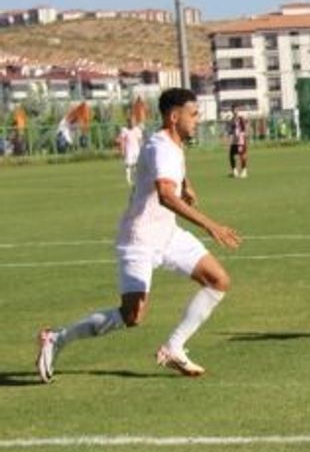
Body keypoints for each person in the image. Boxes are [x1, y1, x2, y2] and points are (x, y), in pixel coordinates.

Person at [35, 88, 242, 383]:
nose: (197, 120)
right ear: (174, 116)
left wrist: (187, 183)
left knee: (218, 280)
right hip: (139, 239)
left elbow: (171, 171)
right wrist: (211, 225)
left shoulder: (172, 141)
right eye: (193, 114)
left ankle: (174, 347)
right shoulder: (161, 146)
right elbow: (166, 196)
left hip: (167, 234)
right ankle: (57, 339)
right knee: (132, 316)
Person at [117, 116, 143, 185]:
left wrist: (142, 149)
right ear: (128, 122)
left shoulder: (137, 130)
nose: (132, 123)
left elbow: (140, 141)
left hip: (136, 150)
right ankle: (128, 179)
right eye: (131, 122)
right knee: (128, 165)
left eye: (133, 122)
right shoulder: (124, 130)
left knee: (136, 165)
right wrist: (122, 149)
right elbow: (122, 140)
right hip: (128, 150)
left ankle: (135, 178)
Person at [228, 105, 249, 178]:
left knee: (242, 155)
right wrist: (230, 137)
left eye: (235, 110)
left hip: (240, 140)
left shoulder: (240, 119)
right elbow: (230, 131)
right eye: (233, 110)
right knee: (231, 155)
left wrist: (241, 138)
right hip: (234, 140)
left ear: (238, 111)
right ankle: (234, 170)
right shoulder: (232, 120)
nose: (234, 111)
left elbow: (243, 130)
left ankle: (244, 170)